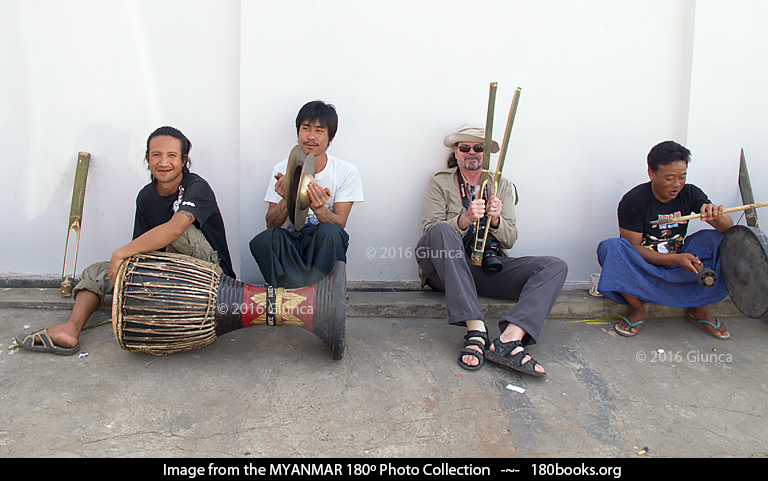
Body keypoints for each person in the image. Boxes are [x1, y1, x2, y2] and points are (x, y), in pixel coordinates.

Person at [15, 126, 235, 355]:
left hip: (212, 278)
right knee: (95, 272)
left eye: (172, 155)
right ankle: (70, 329)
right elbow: (142, 249)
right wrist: (126, 270)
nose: (163, 162)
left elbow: (175, 229)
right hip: (169, 273)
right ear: (147, 159)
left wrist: (119, 254)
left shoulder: (196, 187)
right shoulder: (146, 196)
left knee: (179, 233)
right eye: (156, 155)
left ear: (183, 160)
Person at [417, 124, 568, 376]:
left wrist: (496, 221)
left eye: (479, 148)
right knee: (441, 231)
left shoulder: (502, 185)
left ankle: (510, 339)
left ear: (487, 155)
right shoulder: (440, 181)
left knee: (555, 266)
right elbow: (430, 231)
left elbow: (510, 239)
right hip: (446, 269)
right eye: (465, 148)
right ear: (456, 152)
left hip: (486, 268)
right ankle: (476, 329)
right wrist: (464, 219)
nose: (472, 152)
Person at [596, 140, 733, 340]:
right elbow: (633, 248)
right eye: (669, 178)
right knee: (611, 247)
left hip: (679, 262)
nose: (677, 184)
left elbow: (729, 228)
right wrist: (675, 260)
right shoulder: (634, 200)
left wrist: (717, 215)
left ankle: (699, 309)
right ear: (651, 173)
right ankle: (637, 308)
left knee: (719, 240)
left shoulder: (690, 192)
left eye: (682, 177)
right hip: (646, 267)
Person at [250, 101, 363, 288]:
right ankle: (293, 295)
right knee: (266, 239)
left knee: (331, 233)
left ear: (331, 137)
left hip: (321, 245)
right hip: (291, 244)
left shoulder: (346, 171)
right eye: (306, 128)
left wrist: (319, 208)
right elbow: (271, 224)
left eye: (319, 131)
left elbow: (341, 224)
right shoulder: (281, 169)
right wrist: (288, 199)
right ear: (297, 133)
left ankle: (325, 292)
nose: (311, 136)